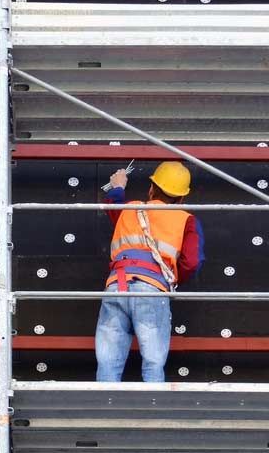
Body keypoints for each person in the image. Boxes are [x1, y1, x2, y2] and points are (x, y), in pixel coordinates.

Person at [95, 160, 204, 382]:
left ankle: (104, 408)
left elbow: (112, 203)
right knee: (153, 359)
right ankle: (153, 407)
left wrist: (118, 185)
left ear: (151, 188)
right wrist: (168, 281)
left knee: (108, 359)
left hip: (116, 286)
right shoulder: (186, 220)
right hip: (153, 290)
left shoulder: (129, 210)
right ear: (182, 197)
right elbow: (191, 262)